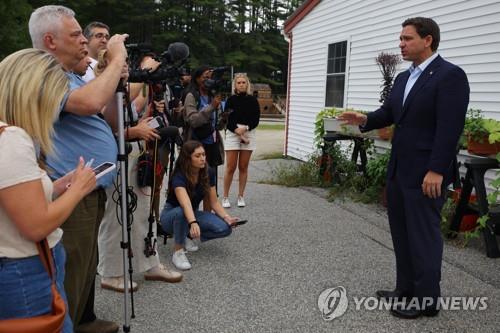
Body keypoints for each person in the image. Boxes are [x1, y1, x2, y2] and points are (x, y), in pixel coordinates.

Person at [338, 17, 469, 319]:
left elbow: (450, 129)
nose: (401, 44)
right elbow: (390, 112)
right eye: (401, 38)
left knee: (423, 236)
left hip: (427, 174)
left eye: (407, 38)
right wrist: (365, 119)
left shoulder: (450, 76)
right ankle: (405, 289)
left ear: (428, 40)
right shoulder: (403, 78)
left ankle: (427, 301)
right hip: (400, 170)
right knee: (401, 233)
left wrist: (437, 169)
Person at [29, 5, 128, 332]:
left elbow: (111, 120)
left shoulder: (72, 76)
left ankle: (83, 320)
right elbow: (87, 104)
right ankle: (65, 325)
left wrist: (113, 80)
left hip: (89, 186)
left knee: (87, 263)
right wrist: (115, 61)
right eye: (75, 35)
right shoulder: (42, 74)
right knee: (71, 266)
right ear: (50, 40)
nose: (84, 41)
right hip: (68, 188)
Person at [0, 48, 97, 333]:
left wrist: (53, 188)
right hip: (25, 270)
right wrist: (77, 190)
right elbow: (35, 225)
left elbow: (12, 199)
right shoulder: (12, 140)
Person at [91, 50, 183, 293]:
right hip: (116, 155)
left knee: (144, 211)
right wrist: (133, 132)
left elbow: (133, 109)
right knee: (116, 215)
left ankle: (149, 263)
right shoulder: (93, 82)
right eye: (98, 36)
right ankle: (111, 272)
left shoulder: (129, 83)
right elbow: (100, 124)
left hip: (138, 152)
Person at [159, 141, 240, 270]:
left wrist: (226, 217)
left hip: (191, 214)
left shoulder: (208, 172)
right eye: (197, 156)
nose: (202, 158)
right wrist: (193, 222)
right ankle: (178, 252)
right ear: (187, 159)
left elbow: (213, 202)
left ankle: (186, 235)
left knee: (225, 228)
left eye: (203, 154)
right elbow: (185, 203)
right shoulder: (179, 175)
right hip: (172, 216)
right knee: (181, 212)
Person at [221, 73, 260, 208]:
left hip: (248, 132)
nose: (241, 84)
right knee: (230, 167)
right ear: (235, 85)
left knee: (243, 167)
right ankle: (225, 197)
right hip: (233, 132)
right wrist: (237, 130)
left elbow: (256, 119)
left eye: (244, 82)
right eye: (239, 83)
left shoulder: (253, 100)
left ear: (247, 84)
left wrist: (245, 129)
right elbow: (227, 119)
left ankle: (240, 196)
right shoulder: (231, 100)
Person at [183, 66, 225, 169]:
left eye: (210, 78)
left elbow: (218, 126)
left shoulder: (213, 96)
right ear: (197, 79)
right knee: (196, 178)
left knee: (211, 179)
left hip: (213, 144)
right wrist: (211, 107)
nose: (208, 81)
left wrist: (225, 117)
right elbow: (193, 121)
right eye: (205, 77)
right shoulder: (191, 96)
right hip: (197, 143)